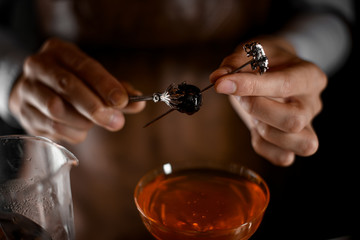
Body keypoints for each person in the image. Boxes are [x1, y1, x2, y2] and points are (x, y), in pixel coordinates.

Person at [0, 0, 355, 239]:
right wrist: (13, 79)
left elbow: (331, 11)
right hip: (86, 203)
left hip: (243, 206)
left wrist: (295, 53)